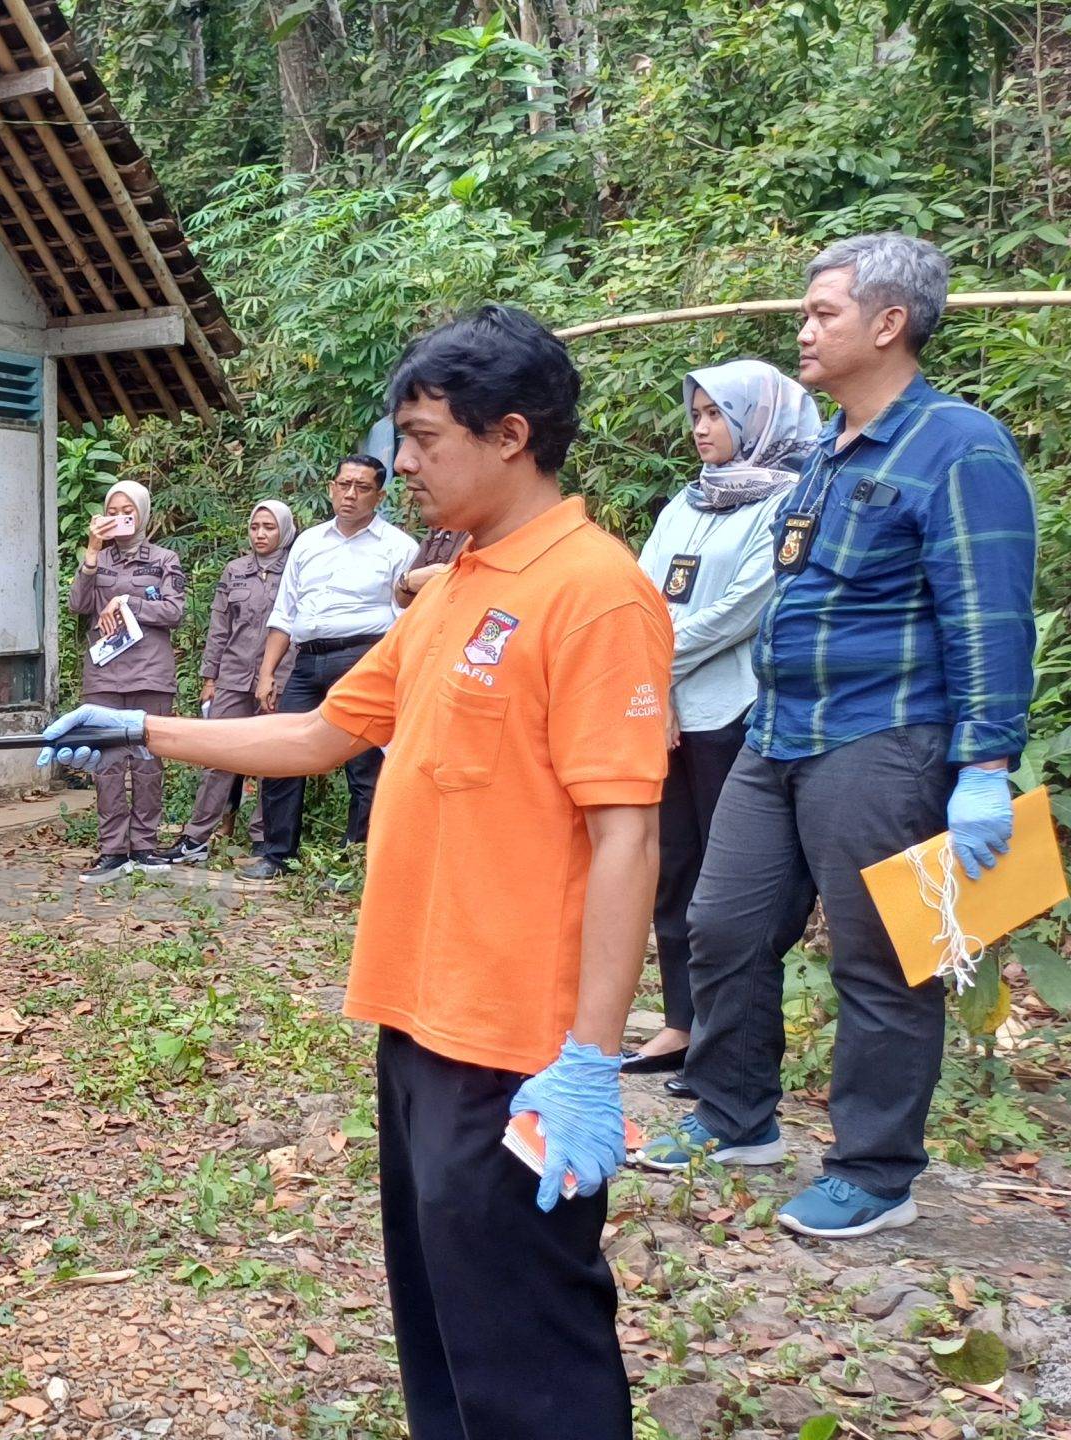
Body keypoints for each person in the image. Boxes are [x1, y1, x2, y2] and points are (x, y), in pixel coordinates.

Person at [43, 305, 667, 1439]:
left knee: (530, 1352)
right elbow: (325, 731)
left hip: (513, 1045)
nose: (401, 464)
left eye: (424, 438)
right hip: (417, 1014)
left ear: (511, 434)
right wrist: (148, 735)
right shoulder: (455, 582)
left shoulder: (595, 590)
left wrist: (586, 1059)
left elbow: (626, 834)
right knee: (442, 1329)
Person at [642, 234, 1037, 1241]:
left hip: (882, 740)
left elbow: (988, 618)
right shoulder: (822, 453)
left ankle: (875, 1169)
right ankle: (734, 1118)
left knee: (877, 960)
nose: (803, 329)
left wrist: (984, 766)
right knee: (722, 922)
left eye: (822, 313)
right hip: (776, 733)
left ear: (888, 323)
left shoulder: (960, 448)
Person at [624, 359, 819, 1093]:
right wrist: (655, 679)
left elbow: (747, 607)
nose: (702, 428)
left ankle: (722, 1038)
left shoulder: (790, 501)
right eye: (697, 414)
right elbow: (642, 593)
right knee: (671, 866)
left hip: (733, 711)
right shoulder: (687, 501)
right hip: (664, 710)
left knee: (725, 883)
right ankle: (680, 1022)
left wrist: (657, 665)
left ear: (757, 419)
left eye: (717, 415)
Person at [247, 455, 416, 879]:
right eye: (344, 485)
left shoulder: (398, 547)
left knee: (362, 761)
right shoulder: (308, 542)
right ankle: (276, 854)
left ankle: (353, 859)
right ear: (331, 488)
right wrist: (268, 672)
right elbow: (285, 611)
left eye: (362, 487)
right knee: (284, 752)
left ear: (379, 495)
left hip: (363, 657)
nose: (350, 494)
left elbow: (407, 617)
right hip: (307, 660)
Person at [154, 499, 297, 866]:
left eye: (269, 527)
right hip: (232, 675)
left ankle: (264, 839)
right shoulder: (235, 571)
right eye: (255, 527)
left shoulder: (297, 569)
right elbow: (220, 628)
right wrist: (210, 678)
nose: (261, 534)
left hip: (277, 677)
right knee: (218, 755)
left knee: (271, 759)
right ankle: (196, 838)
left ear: (284, 530)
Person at [67, 480, 185, 883]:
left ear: (142, 514)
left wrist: (128, 602)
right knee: (109, 764)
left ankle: (146, 847)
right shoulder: (98, 558)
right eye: (112, 511)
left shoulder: (165, 559)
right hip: (104, 674)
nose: (120, 518)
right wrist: (92, 552)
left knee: (149, 763)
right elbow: (78, 605)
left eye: (127, 511)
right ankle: (113, 851)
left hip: (151, 672)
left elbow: (173, 611)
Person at [394, 527, 469, 609]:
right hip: (424, 613)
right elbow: (402, 599)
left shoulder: (476, 534)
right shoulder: (440, 528)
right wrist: (407, 581)